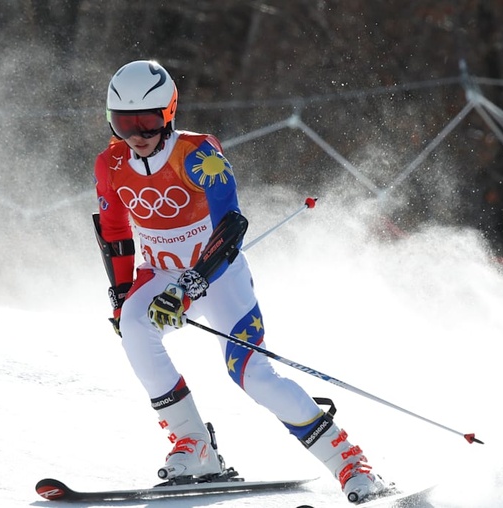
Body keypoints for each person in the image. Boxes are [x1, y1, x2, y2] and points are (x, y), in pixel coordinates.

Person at [92, 60, 388, 503]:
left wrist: (190, 285)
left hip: (218, 275)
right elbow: (114, 233)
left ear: (169, 111)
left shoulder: (199, 154)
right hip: (161, 275)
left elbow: (230, 224)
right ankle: (195, 448)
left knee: (252, 376)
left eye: (148, 119)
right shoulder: (110, 164)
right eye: (123, 122)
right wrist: (120, 296)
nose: (137, 133)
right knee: (133, 326)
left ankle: (350, 464)